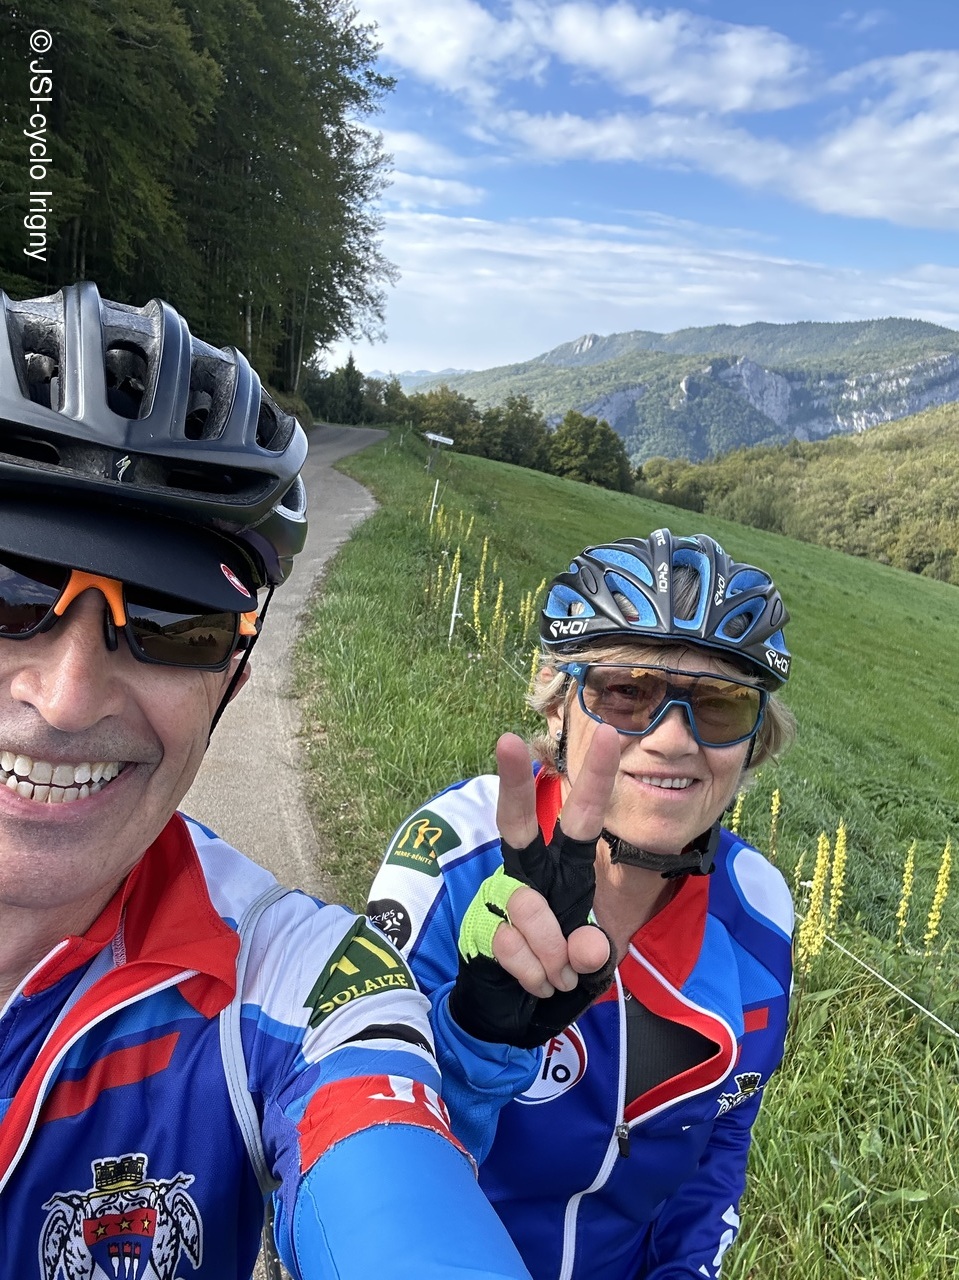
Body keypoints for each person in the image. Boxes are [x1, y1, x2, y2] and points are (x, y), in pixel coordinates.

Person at [0, 283, 534, 1280]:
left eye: (175, 623)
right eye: (10, 590)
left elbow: (392, 1195)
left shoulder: (296, 981)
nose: (67, 698)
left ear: (231, 684)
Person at [367, 530, 797, 1280]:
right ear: (558, 703)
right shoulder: (451, 860)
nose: (672, 739)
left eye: (720, 706)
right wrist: (473, 1044)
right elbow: (358, 1141)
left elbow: (720, 1147)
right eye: (625, 692)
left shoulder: (758, 911)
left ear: (753, 742)